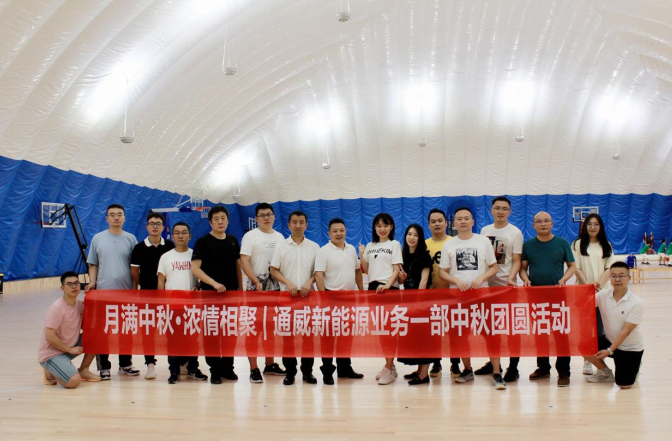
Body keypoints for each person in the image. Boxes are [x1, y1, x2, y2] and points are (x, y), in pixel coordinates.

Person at [438, 207, 500, 388]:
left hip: (482, 295)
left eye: (466, 218)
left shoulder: (483, 241)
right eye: (459, 219)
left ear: (473, 221)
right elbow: (442, 272)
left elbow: (494, 267)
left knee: (490, 333)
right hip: (458, 297)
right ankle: (467, 370)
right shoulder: (449, 244)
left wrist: (481, 278)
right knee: (460, 334)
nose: (463, 221)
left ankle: (497, 372)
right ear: (454, 223)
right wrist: (456, 280)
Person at [519, 211, 576, 387]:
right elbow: (522, 269)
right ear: (533, 225)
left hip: (558, 296)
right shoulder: (528, 245)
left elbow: (572, 266)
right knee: (540, 332)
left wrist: (564, 279)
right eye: (539, 221)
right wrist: (525, 279)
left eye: (546, 221)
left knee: (561, 334)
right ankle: (543, 367)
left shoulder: (562, 243)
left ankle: (564, 371)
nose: (542, 224)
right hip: (536, 297)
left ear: (552, 224)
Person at [473, 196, 524, 383]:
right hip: (487, 288)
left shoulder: (515, 232)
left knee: (511, 330)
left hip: (507, 289)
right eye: (497, 208)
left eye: (504, 209)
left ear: (510, 212)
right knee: (489, 329)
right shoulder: (484, 231)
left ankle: (513, 366)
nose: (500, 212)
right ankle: (494, 363)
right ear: (491, 210)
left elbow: (517, 260)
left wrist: (511, 278)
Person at [85, 203, 139, 380]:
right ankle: (104, 367)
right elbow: (93, 264)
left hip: (126, 293)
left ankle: (125, 364)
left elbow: (135, 267)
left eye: (119, 214)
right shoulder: (98, 238)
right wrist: (92, 282)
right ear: (107, 218)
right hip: (103, 294)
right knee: (103, 331)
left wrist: (135, 287)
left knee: (126, 330)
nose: (116, 217)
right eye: (112, 214)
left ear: (124, 218)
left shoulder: (131, 239)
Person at [191, 206, 243, 384]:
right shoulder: (203, 242)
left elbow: (237, 267)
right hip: (210, 297)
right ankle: (214, 370)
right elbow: (195, 268)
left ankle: (228, 367)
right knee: (212, 333)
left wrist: (240, 291)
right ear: (210, 222)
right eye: (216, 219)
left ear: (228, 220)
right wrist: (213, 283)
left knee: (230, 332)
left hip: (231, 297)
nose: (220, 222)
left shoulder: (233, 240)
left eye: (223, 218)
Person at [269, 211, 320, 385]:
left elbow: (318, 271)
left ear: (306, 225)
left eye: (301, 222)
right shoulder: (281, 246)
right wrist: (287, 282)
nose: (298, 225)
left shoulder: (314, 247)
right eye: (294, 222)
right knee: (288, 338)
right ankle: (290, 373)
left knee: (308, 337)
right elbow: (273, 269)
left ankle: (307, 372)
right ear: (289, 225)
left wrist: (309, 282)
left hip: (308, 298)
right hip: (287, 298)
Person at [239, 203, 286, 382]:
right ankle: (253, 368)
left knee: (271, 328)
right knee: (253, 328)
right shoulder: (250, 236)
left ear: (274, 216)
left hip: (275, 289)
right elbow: (244, 261)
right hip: (255, 288)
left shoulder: (280, 237)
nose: (266, 218)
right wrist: (256, 281)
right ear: (256, 219)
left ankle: (270, 364)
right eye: (262, 215)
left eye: (269, 214)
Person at [314, 218, 365, 384]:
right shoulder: (323, 251)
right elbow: (319, 275)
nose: (339, 234)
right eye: (335, 231)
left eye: (341, 230)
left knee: (346, 336)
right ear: (329, 233)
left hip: (349, 299)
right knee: (328, 337)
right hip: (330, 298)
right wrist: (323, 297)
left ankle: (344, 368)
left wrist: (361, 292)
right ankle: (327, 371)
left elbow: (357, 272)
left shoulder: (351, 249)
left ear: (346, 232)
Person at [158, 222, 208, 384]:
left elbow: (200, 279)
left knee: (192, 339)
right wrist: (161, 304)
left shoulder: (195, 255)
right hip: (172, 306)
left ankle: (193, 368)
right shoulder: (166, 257)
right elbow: (161, 282)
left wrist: (198, 287)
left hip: (192, 307)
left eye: (184, 232)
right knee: (173, 339)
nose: (180, 236)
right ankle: (174, 371)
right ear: (172, 236)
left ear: (190, 236)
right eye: (177, 233)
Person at [584, 261, 644, 389]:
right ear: (609, 278)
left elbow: (625, 332)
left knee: (624, 384)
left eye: (621, 276)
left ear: (629, 278)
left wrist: (609, 351)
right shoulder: (602, 296)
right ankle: (605, 372)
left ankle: (635, 365)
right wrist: (589, 289)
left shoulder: (636, 303)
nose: (617, 279)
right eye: (613, 276)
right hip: (610, 341)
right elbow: (582, 304)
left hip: (630, 348)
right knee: (583, 345)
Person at [359, 213, 403, 385]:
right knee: (381, 331)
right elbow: (366, 269)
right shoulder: (370, 245)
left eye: (385, 225)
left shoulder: (394, 244)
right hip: (373, 289)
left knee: (390, 330)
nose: (382, 229)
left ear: (391, 227)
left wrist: (387, 285)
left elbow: (396, 270)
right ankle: (390, 366)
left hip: (389, 289)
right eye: (379, 226)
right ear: (374, 228)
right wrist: (361, 254)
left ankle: (388, 367)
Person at [130, 211, 175, 380]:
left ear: (163, 227)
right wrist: (146, 285)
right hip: (147, 297)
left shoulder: (170, 246)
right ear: (147, 227)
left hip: (168, 296)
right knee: (148, 331)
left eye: (158, 224)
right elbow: (134, 272)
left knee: (173, 328)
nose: (155, 226)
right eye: (152, 224)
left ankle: (178, 363)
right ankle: (150, 364)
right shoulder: (138, 248)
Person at [570, 213, 616, 376]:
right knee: (585, 330)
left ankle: (600, 363)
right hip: (583, 292)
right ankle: (587, 361)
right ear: (584, 227)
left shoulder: (607, 245)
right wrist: (587, 286)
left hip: (602, 293)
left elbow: (609, 268)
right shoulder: (577, 244)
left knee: (600, 330)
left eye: (596, 224)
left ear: (600, 227)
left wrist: (599, 285)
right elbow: (575, 267)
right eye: (589, 224)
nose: (592, 227)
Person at [39, 272, 101, 388]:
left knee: (96, 335)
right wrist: (70, 349)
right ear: (62, 288)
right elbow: (49, 336)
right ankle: (50, 369)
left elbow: (87, 328)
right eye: (69, 284)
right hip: (52, 353)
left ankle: (83, 369)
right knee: (74, 382)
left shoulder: (80, 305)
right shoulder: (57, 308)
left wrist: (91, 309)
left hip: (68, 348)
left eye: (76, 283)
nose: (74, 286)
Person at [397, 224, 440, 385]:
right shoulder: (404, 255)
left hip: (421, 303)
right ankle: (419, 370)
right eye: (409, 234)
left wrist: (417, 303)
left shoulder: (424, 255)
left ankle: (424, 375)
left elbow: (423, 281)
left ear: (420, 238)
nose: (412, 237)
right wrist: (402, 279)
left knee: (424, 339)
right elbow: (404, 281)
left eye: (415, 235)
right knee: (415, 338)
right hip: (408, 302)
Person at [424, 208, 461, 378]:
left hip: (453, 296)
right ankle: (436, 363)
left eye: (440, 221)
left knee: (455, 332)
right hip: (431, 296)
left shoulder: (455, 242)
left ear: (447, 223)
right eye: (433, 221)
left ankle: (455, 364)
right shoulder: (424, 244)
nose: (437, 224)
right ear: (429, 225)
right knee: (434, 332)